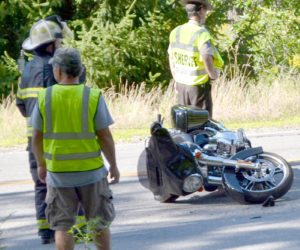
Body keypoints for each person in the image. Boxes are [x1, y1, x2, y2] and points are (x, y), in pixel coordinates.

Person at [30, 47, 120, 250]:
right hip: (92, 173)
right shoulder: (93, 96)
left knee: (63, 226)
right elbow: (104, 136)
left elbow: (36, 136)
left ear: (59, 71)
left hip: (59, 174)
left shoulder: (45, 97)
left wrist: (41, 165)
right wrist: (113, 165)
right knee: (99, 223)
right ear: (80, 70)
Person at [16, 15, 86, 244]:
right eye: (59, 42)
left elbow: (21, 105)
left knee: (41, 183)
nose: (61, 45)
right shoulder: (53, 69)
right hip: (55, 139)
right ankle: (80, 229)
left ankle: (45, 231)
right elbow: (67, 94)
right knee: (71, 182)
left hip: (33, 139)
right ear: (50, 44)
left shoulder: (26, 71)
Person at [168, 0, 224, 118]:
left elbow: (171, 57)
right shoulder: (202, 34)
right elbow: (206, 56)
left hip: (182, 86)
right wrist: (212, 74)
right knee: (202, 123)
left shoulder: (176, 32)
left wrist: (176, 79)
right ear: (201, 10)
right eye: (206, 11)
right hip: (198, 87)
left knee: (184, 122)